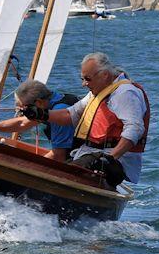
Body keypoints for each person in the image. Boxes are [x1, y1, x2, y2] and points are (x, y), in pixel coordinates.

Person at [21, 52, 150, 187]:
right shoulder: (98, 91)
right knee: (56, 171)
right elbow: (71, 114)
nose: (84, 84)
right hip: (90, 154)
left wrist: (111, 158)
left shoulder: (124, 93)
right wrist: (41, 114)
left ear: (104, 75)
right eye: (82, 79)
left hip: (115, 161)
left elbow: (135, 128)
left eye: (87, 79)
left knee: (62, 177)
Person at [0, 80, 79, 161]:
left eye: (24, 109)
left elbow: (58, 155)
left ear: (39, 102)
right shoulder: (51, 101)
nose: (23, 112)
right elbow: (21, 123)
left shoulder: (59, 113)